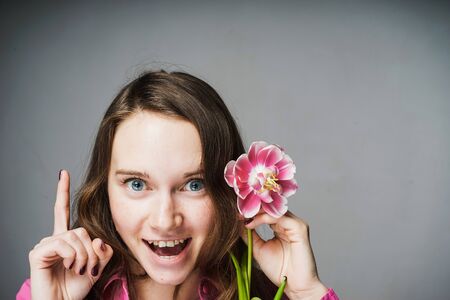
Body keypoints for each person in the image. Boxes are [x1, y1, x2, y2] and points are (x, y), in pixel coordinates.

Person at [17, 70, 339, 299]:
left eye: (194, 185)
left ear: (231, 192)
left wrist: (306, 292)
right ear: (105, 191)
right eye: (137, 184)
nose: (165, 220)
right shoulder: (51, 291)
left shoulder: (267, 294)